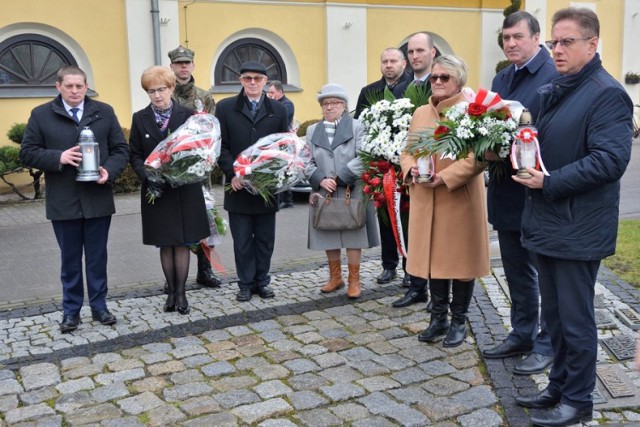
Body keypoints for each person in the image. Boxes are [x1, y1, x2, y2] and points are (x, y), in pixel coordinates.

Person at [512, 8, 633, 427]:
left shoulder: (606, 92)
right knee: (556, 318)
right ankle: (559, 386)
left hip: (577, 224)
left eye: (566, 42)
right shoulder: (560, 87)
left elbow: (610, 161)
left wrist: (548, 183)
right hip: (549, 221)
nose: (557, 49)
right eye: (553, 42)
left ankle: (579, 400)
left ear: (592, 44)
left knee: (576, 321)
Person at [20, 66, 129, 333]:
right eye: (69, 86)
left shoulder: (103, 111)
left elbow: (121, 149)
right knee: (70, 260)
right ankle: (71, 312)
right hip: (63, 201)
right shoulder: (41, 114)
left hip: (97, 198)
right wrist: (59, 157)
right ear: (58, 86)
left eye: (79, 86)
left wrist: (109, 170)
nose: (74, 91)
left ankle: (100, 307)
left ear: (86, 85)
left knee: (97, 258)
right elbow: (28, 153)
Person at [481, 11, 557, 376]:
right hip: (506, 191)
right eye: (506, 38)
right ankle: (522, 332)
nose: (510, 43)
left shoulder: (553, 76)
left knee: (546, 273)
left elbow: (552, 133)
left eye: (517, 37)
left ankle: (547, 341)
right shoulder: (502, 77)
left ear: (536, 37)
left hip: (538, 191)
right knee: (515, 270)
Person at [400, 55, 489, 348]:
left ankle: (459, 321)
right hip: (427, 199)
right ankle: (438, 318)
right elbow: (407, 150)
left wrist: (448, 177)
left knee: (461, 263)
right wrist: (409, 168)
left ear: (458, 81)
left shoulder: (473, 111)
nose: (437, 82)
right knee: (433, 261)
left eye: (444, 78)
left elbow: (480, 157)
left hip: (459, 200)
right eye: (434, 77)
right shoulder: (421, 113)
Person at [129, 66, 210, 315]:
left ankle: (182, 294)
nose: (157, 95)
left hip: (184, 189)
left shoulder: (188, 115)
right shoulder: (140, 117)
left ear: (172, 88)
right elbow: (134, 154)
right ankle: (171, 293)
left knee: (183, 243)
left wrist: (183, 172)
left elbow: (199, 150)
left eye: (161, 89)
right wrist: (147, 176)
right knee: (166, 243)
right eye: (151, 91)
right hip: (157, 190)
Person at [216, 61, 289, 302]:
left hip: (267, 188)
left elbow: (283, 147)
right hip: (238, 187)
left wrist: (273, 174)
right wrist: (233, 173)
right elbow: (221, 147)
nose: (253, 83)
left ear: (266, 82)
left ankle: (262, 281)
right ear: (241, 80)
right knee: (243, 240)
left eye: (258, 79)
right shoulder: (226, 108)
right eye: (248, 78)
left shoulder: (278, 110)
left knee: (266, 239)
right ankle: (245, 284)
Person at [305, 84, 380, 299]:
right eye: (325, 103)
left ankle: (354, 281)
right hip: (324, 191)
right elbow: (306, 161)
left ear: (344, 105)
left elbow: (365, 154)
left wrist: (341, 176)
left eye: (334, 103)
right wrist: (320, 179)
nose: (329, 107)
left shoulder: (357, 126)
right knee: (328, 232)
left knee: (353, 235)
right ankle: (335, 277)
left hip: (351, 188)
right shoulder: (312, 131)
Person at [353, 48, 412, 288]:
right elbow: (359, 124)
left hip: (405, 164)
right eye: (384, 61)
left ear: (403, 63)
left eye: (393, 61)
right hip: (379, 165)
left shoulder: (413, 88)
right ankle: (389, 265)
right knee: (385, 216)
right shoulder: (370, 92)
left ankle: (411, 267)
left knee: (407, 218)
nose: (388, 65)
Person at [168, 45, 221, 290]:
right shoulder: (165, 95)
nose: (183, 67)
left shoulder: (204, 97)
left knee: (205, 218)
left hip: (200, 170)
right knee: (174, 220)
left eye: (186, 63)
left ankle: (205, 270)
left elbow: (214, 131)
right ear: (172, 66)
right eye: (178, 63)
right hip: (173, 169)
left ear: (192, 65)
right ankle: (174, 276)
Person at [392, 32, 438, 308]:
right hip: (409, 172)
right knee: (412, 231)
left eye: (420, 51)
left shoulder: (444, 84)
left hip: (437, 173)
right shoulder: (400, 89)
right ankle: (416, 284)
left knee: (438, 233)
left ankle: (439, 290)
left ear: (433, 53)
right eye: (410, 52)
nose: (415, 56)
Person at [267, 80, 296, 209]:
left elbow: (278, 120)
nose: (270, 95)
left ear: (280, 92)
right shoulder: (276, 104)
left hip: (284, 142)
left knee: (283, 170)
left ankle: (286, 200)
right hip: (276, 141)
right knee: (280, 169)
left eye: (272, 92)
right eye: (269, 92)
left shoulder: (287, 105)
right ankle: (283, 199)